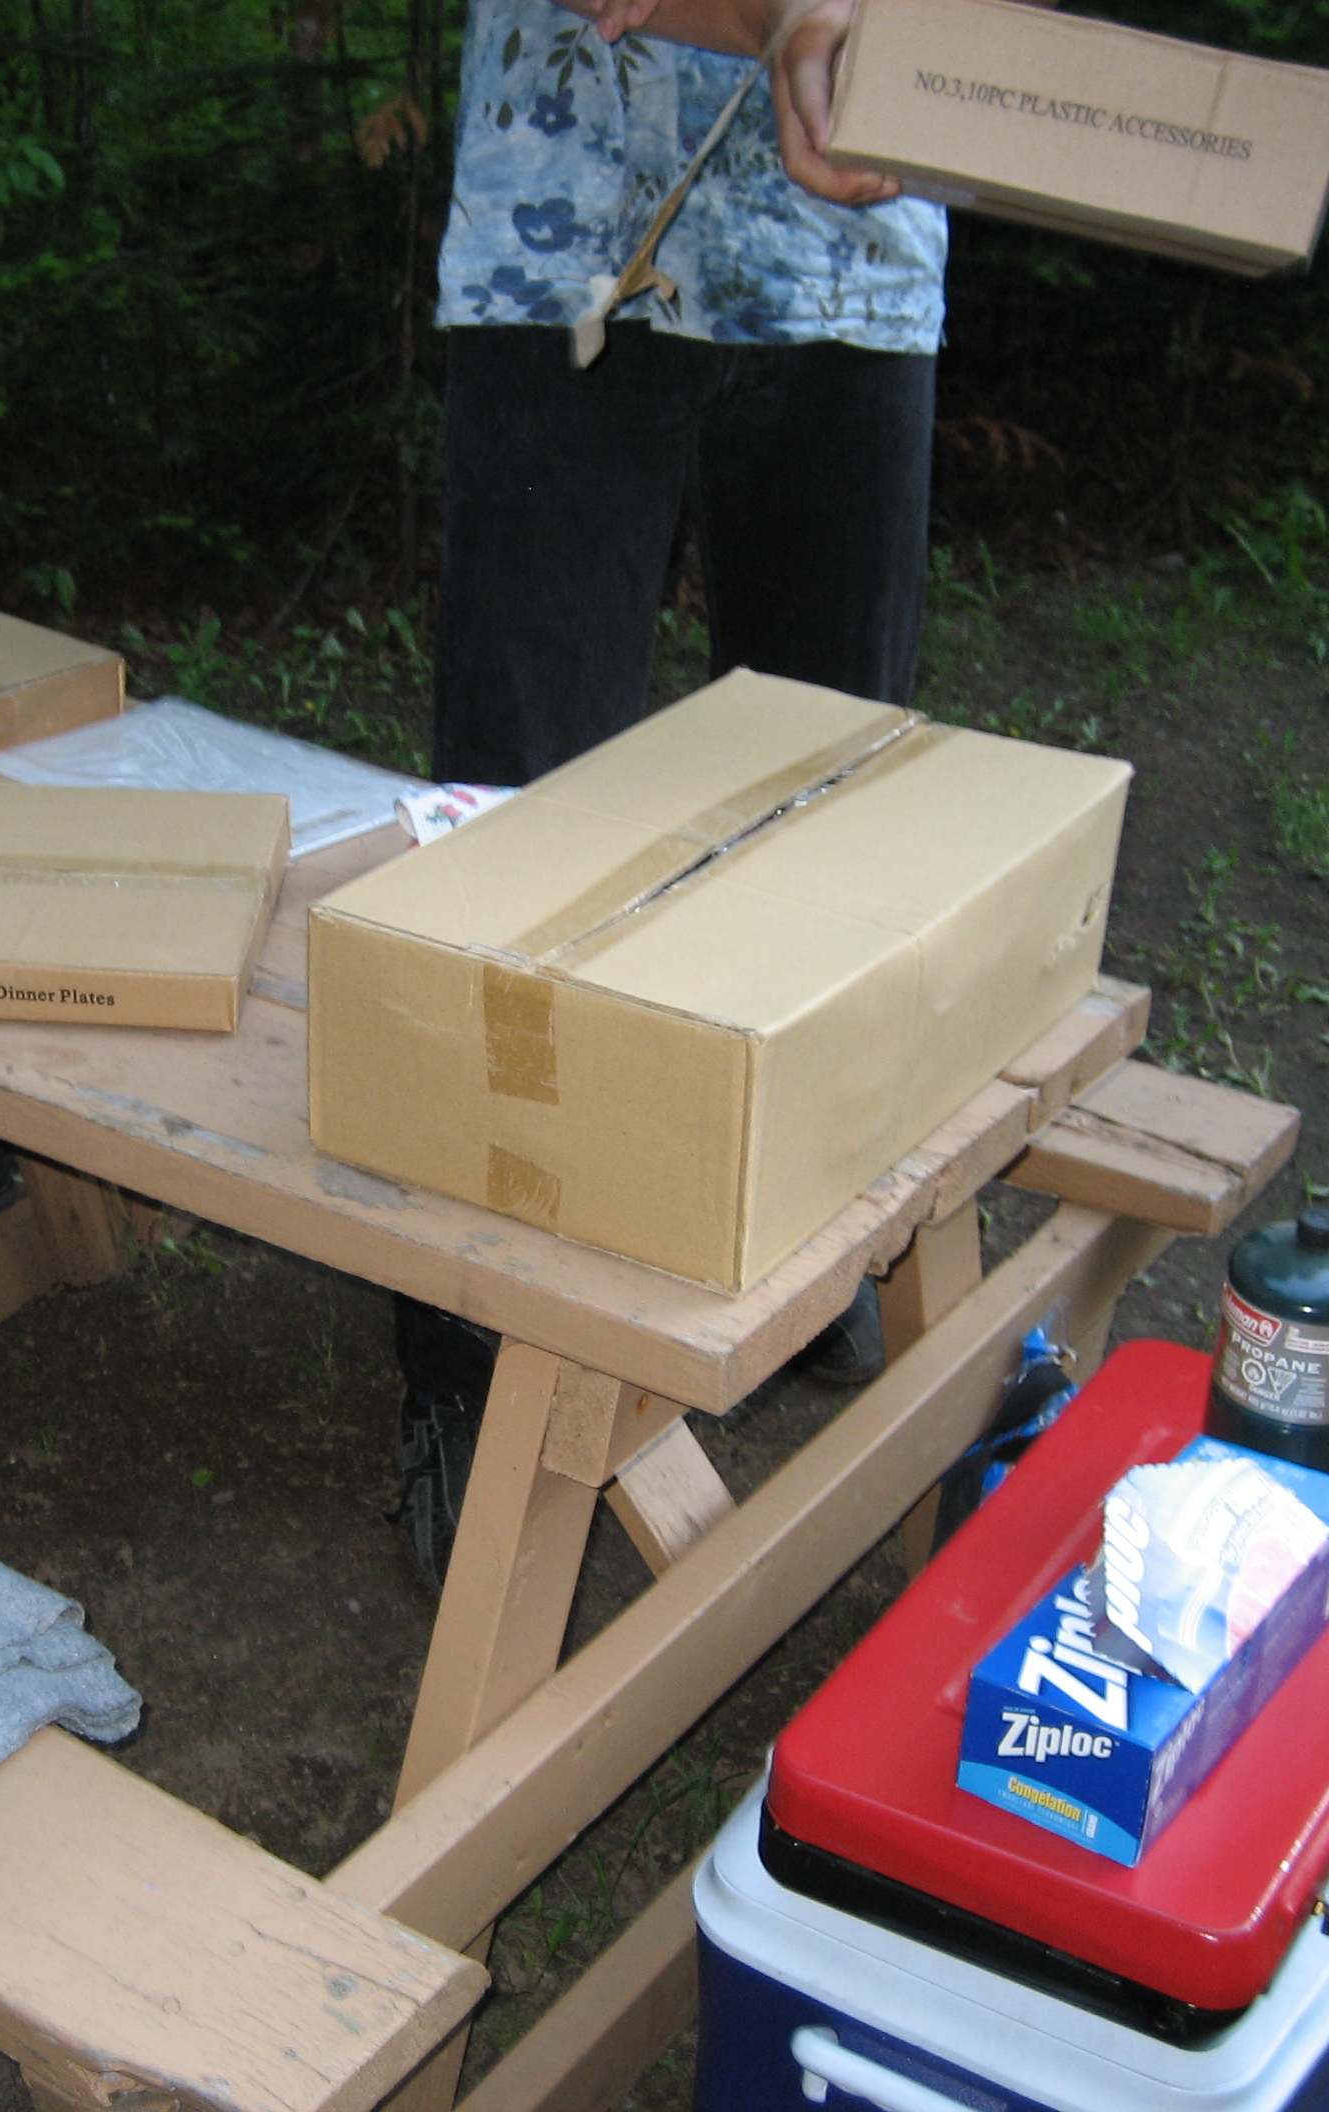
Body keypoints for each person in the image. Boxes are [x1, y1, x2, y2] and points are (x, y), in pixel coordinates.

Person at [393, 0, 941, 1588]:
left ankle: (802, 1242)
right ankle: (466, 1351)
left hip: (862, 263)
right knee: (513, 845)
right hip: (568, 232)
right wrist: (794, 20)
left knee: (829, 821)